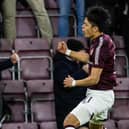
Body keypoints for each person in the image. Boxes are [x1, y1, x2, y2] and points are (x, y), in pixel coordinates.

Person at [57, 6, 116, 129]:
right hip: (102, 94)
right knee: (94, 127)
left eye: (86, 24)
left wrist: (74, 83)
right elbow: (87, 57)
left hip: (99, 96)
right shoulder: (99, 40)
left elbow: (94, 79)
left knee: (69, 122)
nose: (82, 27)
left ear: (95, 28)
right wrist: (67, 52)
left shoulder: (101, 44)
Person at [53, 39, 88, 129]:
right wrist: (83, 71)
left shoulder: (79, 63)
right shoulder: (60, 65)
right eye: (80, 54)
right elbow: (65, 83)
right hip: (66, 110)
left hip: (81, 108)